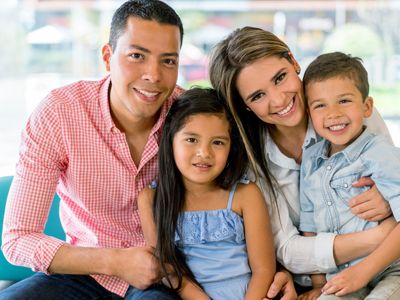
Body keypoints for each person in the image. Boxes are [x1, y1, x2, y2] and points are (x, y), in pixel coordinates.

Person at [1, 1, 184, 299]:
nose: (153, 75)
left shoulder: (191, 117)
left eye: (168, 61)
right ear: (107, 56)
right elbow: (17, 240)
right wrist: (116, 262)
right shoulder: (60, 114)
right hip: (85, 271)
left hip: (163, 276)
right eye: (137, 56)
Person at [208, 26, 396, 299]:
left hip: (387, 265)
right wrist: (380, 236)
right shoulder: (251, 159)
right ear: (245, 106)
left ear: (294, 62)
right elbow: (288, 250)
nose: (279, 99)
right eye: (257, 96)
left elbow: (391, 175)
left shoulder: (348, 111)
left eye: (280, 77)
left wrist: (388, 200)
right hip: (333, 277)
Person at [137, 87, 276, 300]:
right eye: (192, 140)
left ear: (231, 148)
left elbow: (263, 270)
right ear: (171, 140)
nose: (204, 153)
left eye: (218, 142)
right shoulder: (151, 199)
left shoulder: (245, 195)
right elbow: (170, 271)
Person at [298, 51, 400, 300]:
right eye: (320, 105)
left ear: (367, 106)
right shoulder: (311, 159)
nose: (333, 113)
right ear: (310, 114)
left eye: (344, 101)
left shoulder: (380, 153)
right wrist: (318, 285)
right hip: (341, 274)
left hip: (390, 268)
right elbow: (309, 226)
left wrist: (363, 272)